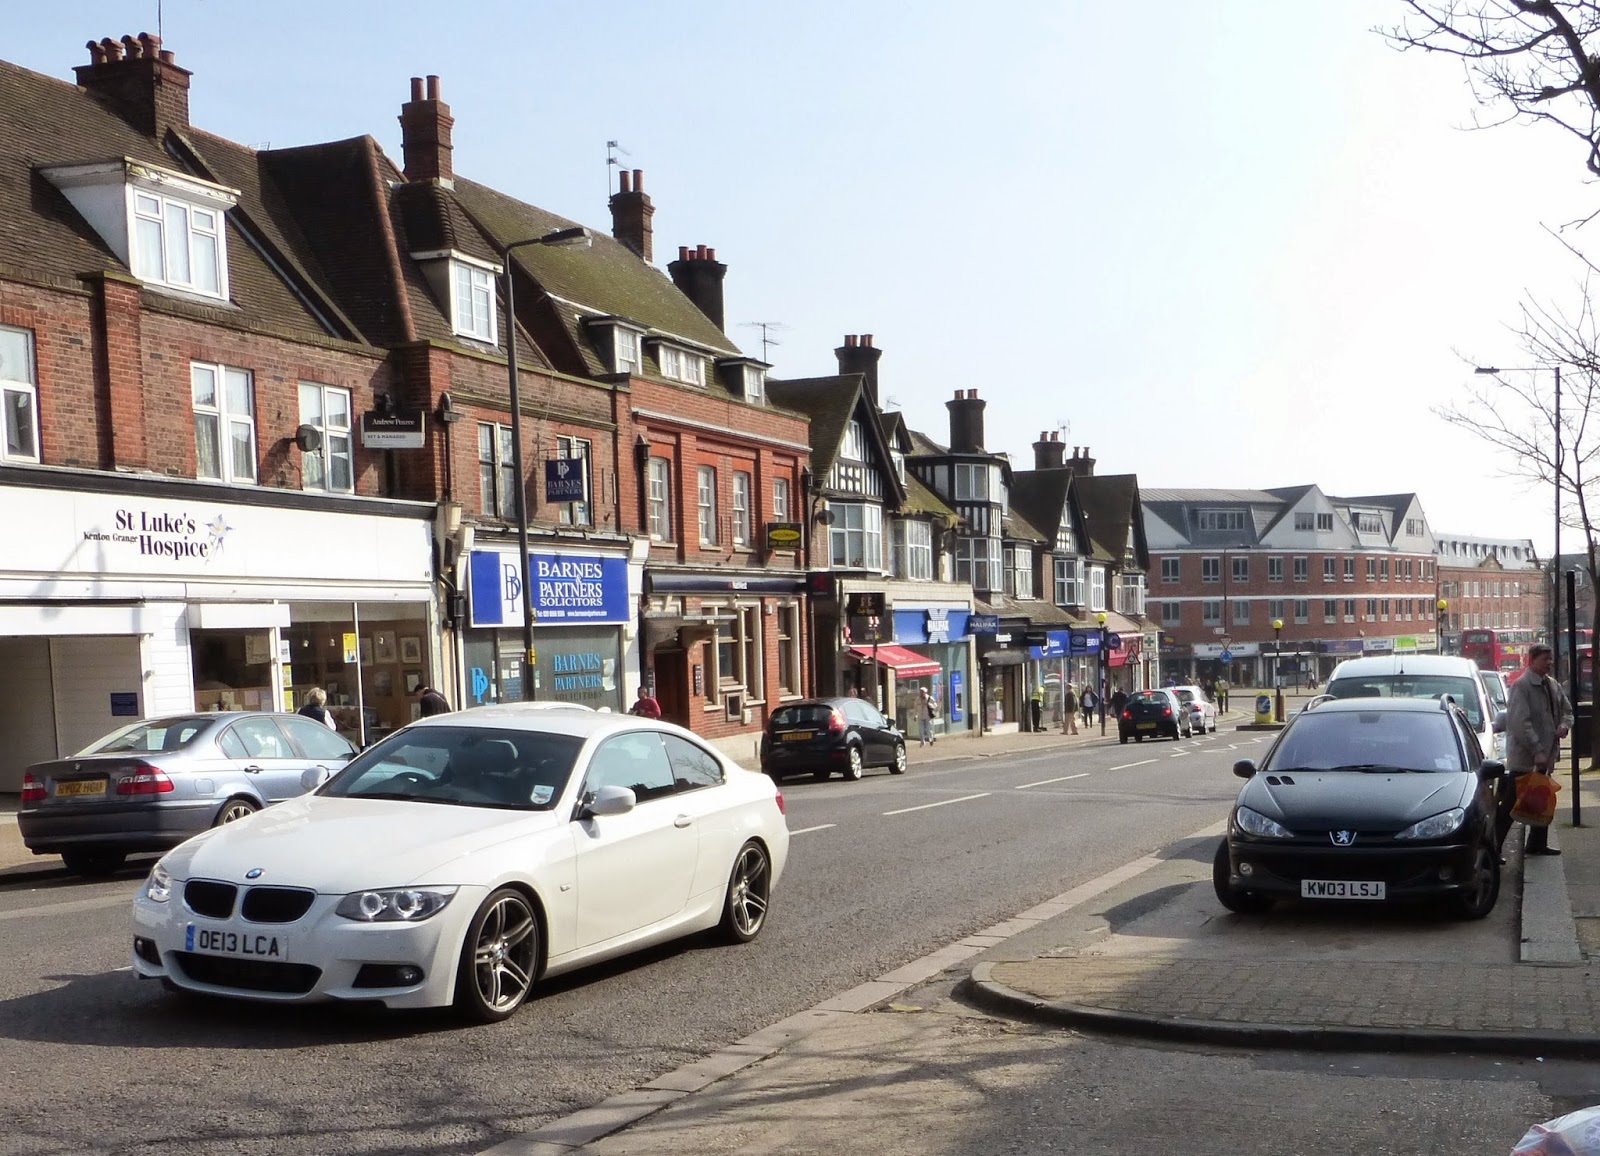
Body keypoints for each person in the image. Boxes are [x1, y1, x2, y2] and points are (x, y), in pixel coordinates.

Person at [1498, 643, 1575, 857]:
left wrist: (1564, 725)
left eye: (1550, 659)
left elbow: (1567, 711)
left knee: (1541, 799)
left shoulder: (1552, 685)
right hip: (1525, 759)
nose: (1549, 663)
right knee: (1511, 805)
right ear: (1531, 661)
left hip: (1546, 755)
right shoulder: (1521, 686)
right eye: (1544, 659)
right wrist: (1537, 750)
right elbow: (1520, 723)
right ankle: (1493, 849)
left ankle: (1537, 843)